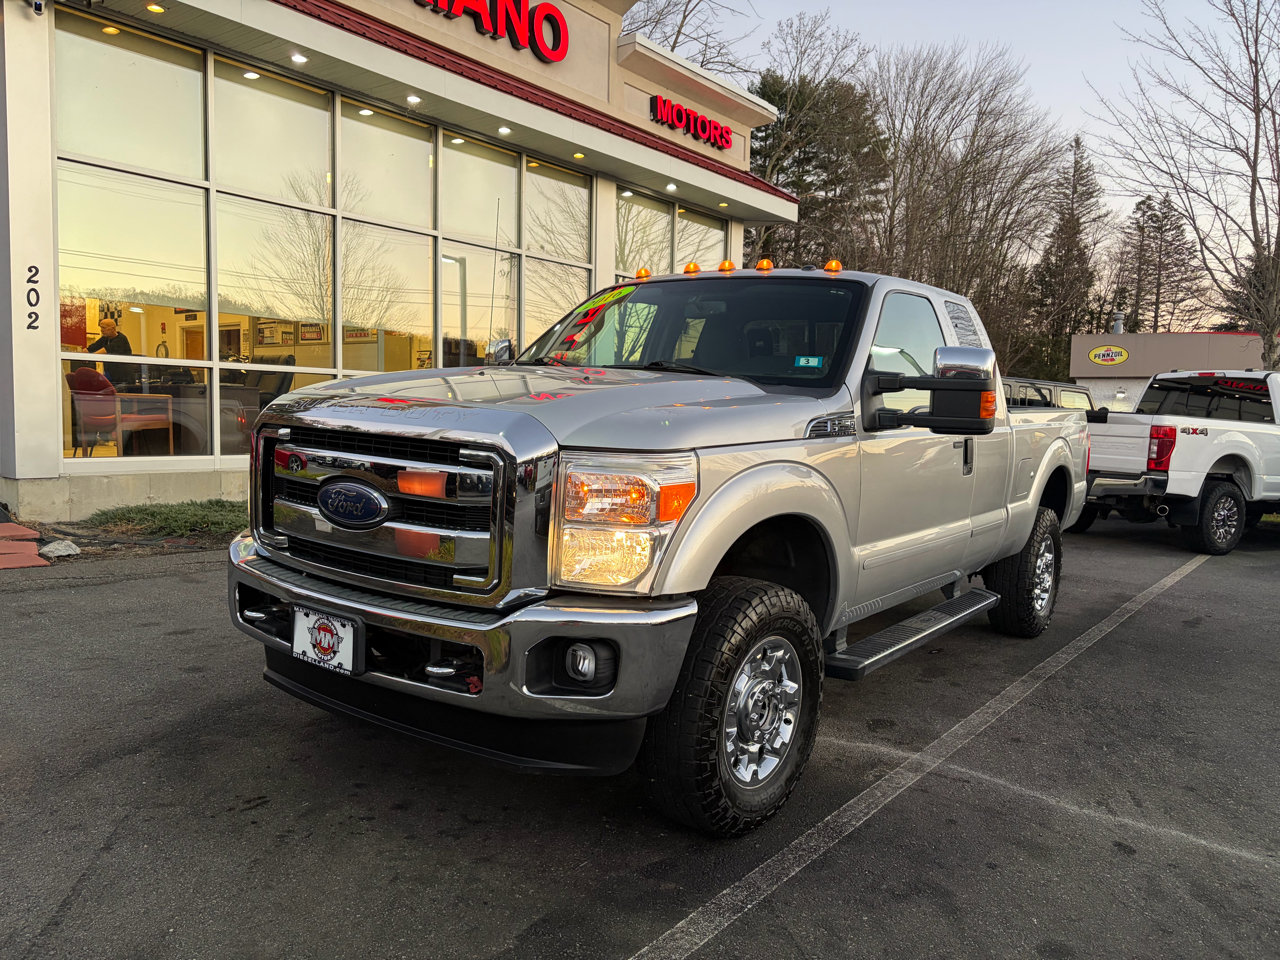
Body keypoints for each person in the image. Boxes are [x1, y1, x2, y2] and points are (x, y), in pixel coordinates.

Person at [86, 318, 139, 385]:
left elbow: (103, 351)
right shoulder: (105, 338)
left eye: (104, 328)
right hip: (111, 375)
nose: (101, 330)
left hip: (124, 379)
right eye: (101, 327)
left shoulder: (121, 339)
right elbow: (91, 348)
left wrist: (88, 358)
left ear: (113, 328)